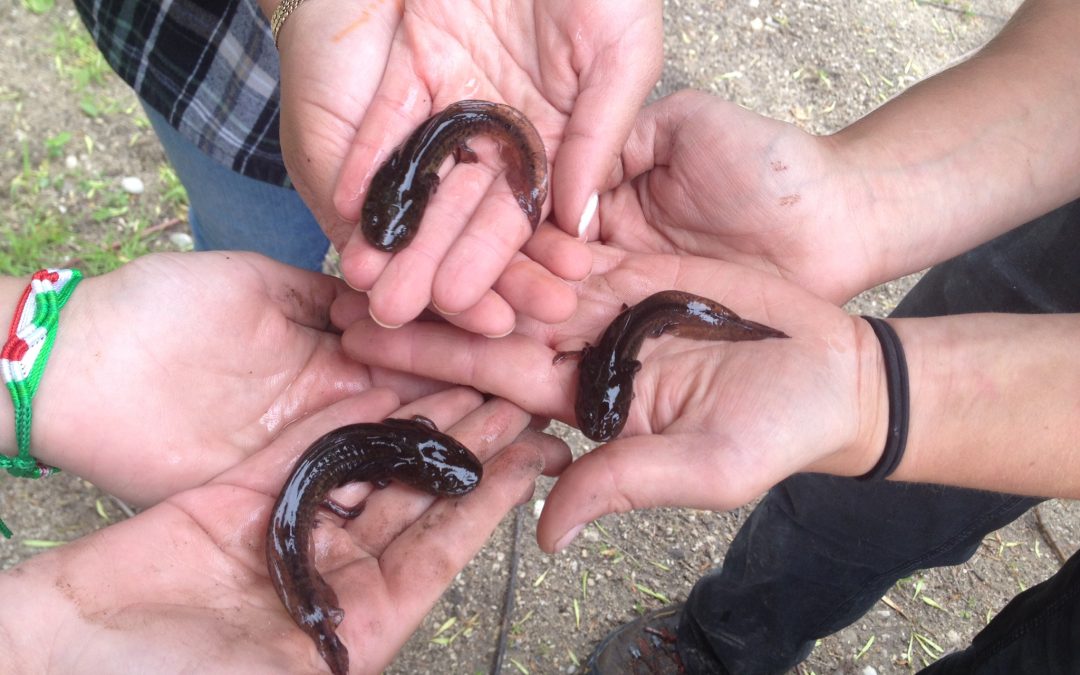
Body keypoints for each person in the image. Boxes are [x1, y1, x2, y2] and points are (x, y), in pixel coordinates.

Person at [330, 0, 1080, 670]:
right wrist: (853, 203)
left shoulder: (620, 344)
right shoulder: (609, 347)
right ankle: (726, 642)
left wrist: (873, 390)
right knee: (863, 506)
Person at [0, 253, 571, 672]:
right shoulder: (393, 458)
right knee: (296, 517)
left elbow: (405, 440)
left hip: (328, 473)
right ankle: (317, 617)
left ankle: (316, 610)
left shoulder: (402, 448)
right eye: (446, 476)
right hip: (325, 473)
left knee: (298, 516)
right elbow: (396, 448)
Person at [71, 0, 669, 336]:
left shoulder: (424, 166)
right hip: (202, 64)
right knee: (244, 234)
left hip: (427, 114)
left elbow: (419, 169)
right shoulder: (421, 170)